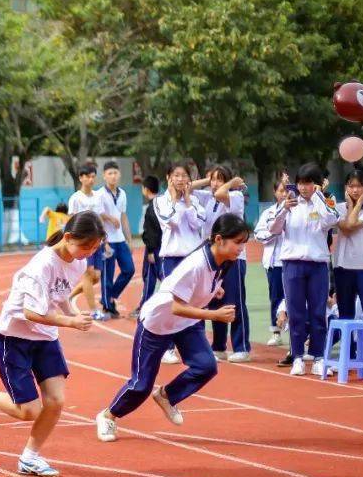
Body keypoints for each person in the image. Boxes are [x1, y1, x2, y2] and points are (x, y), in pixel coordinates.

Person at [0, 211, 105, 477]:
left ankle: (30, 457)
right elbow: (31, 313)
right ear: (69, 237)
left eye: (95, 247)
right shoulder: (41, 266)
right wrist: (70, 322)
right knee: (28, 410)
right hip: (16, 338)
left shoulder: (78, 263)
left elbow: (60, 294)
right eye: (87, 246)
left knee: (56, 401)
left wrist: (72, 313)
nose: (90, 252)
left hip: (45, 337)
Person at [95, 214, 249, 443]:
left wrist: (212, 291)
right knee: (141, 385)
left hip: (186, 323)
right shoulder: (195, 265)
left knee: (206, 366)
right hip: (158, 323)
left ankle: (167, 395)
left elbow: (198, 291)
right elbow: (176, 306)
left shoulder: (225, 262)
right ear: (219, 239)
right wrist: (213, 314)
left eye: (243, 242)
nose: (241, 247)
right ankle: (108, 415)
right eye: (238, 242)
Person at [265, 163, 340, 376]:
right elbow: (273, 229)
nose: (304, 187)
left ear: (316, 184)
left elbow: (332, 220)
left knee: (318, 312)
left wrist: (318, 196)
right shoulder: (289, 204)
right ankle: (297, 357)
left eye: (308, 183)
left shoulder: (325, 201)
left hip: (317, 265)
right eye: (300, 183)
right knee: (296, 313)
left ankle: (318, 357)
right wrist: (284, 209)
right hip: (292, 264)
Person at [152, 164, 207, 364]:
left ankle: (198, 347)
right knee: (171, 303)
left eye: (184, 176)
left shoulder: (194, 201)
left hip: (193, 257)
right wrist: (176, 201)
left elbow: (198, 223)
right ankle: (168, 347)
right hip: (172, 257)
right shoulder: (160, 201)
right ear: (169, 178)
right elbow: (171, 222)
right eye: (176, 175)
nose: (181, 179)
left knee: (196, 301)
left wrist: (187, 200)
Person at [196, 166, 251, 362]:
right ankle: (218, 346)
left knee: (234, 301)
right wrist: (206, 180)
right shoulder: (207, 197)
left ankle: (242, 346)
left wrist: (231, 184)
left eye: (219, 179)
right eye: (213, 179)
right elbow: (186, 189)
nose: (214, 184)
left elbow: (221, 192)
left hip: (233, 258)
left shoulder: (234, 196)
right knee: (215, 301)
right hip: (214, 257)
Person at [332, 169, 363, 372]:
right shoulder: (337, 207)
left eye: (359, 186)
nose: (355, 190)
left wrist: (358, 204)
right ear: (345, 188)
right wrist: (352, 206)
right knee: (345, 314)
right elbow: (344, 227)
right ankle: (349, 355)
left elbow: (351, 225)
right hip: (342, 267)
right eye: (351, 186)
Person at [66, 164, 110, 320]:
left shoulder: (98, 196)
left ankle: (68, 296)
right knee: (88, 275)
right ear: (81, 178)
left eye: (93, 176)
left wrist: (105, 239)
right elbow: (70, 220)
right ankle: (94, 311)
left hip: (97, 241)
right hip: (83, 241)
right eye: (88, 176)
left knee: (96, 276)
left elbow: (100, 218)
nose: (91, 180)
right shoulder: (75, 198)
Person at [254, 173, 289, 348]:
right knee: (276, 297)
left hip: (290, 261)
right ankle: (276, 332)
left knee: (294, 297)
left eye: (286, 190)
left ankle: (301, 334)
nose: (284, 194)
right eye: (281, 190)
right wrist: (272, 233)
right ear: (275, 192)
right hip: (273, 263)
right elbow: (258, 233)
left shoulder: (295, 209)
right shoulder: (268, 213)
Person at [98, 161, 135, 318]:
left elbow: (124, 217)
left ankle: (109, 297)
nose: (113, 176)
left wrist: (130, 239)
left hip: (120, 240)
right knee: (107, 274)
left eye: (115, 173)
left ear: (119, 175)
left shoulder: (123, 193)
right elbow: (98, 216)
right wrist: (104, 241)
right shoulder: (99, 194)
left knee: (129, 269)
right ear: (104, 176)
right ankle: (108, 306)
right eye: (110, 173)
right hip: (107, 240)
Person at [138, 176, 162, 313]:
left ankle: (145, 306)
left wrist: (151, 250)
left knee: (149, 277)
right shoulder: (162, 203)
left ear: (146, 189)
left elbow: (151, 231)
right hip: (163, 246)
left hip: (155, 247)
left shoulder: (151, 208)